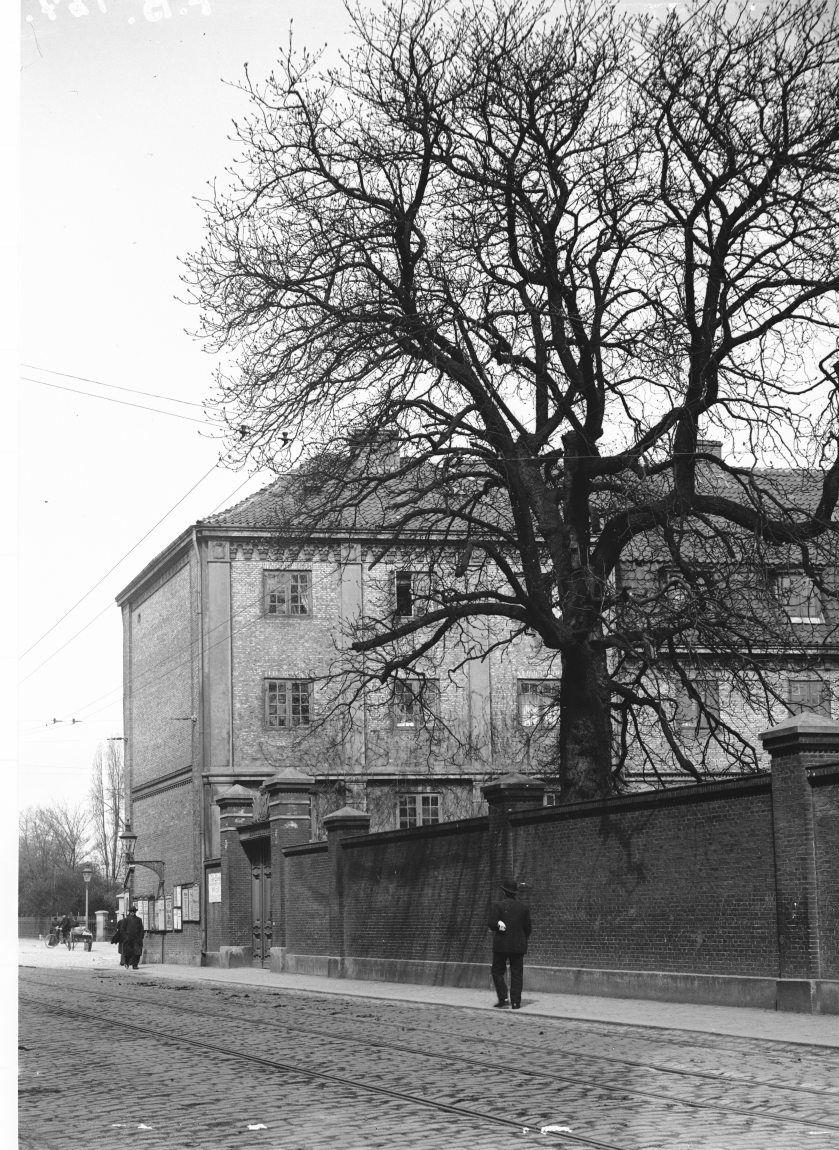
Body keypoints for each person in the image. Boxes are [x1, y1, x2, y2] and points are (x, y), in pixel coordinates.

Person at [487, 876, 531, 1010]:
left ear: (504, 892)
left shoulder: (498, 906)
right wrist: (521, 939)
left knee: (497, 971)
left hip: (501, 945)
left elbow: (491, 924)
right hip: (518, 946)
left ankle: (503, 998)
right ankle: (516, 1003)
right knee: (517, 974)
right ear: (515, 893)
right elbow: (528, 928)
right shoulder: (524, 908)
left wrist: (498, 925)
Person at [122, 905, 145, 970]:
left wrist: (141, 937)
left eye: (134, 911)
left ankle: (135, 965)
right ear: (129, 912)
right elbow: (123, 929)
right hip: (128, 939)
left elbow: (141, 929)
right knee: (128, 953)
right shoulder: (126, 920)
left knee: (137, 953)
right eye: (131, 911)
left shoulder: (139, 920)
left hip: (136, 939)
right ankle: (126, 962)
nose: (132, 912)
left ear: (135, 912)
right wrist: (125, 937)